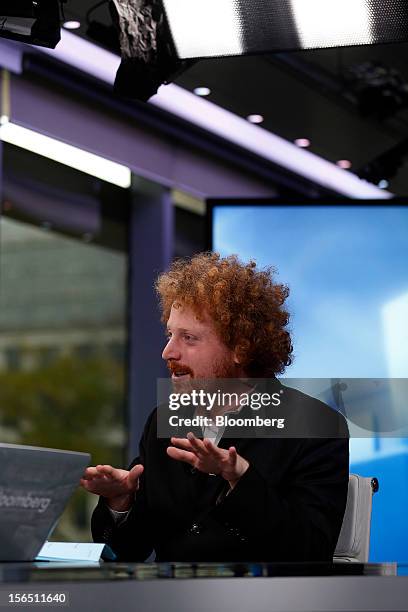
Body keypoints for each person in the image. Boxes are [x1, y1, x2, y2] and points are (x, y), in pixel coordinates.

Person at [83, 252, 349, 562]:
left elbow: (309, 550)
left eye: (189, 338)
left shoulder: (315, 425)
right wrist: (120, 502)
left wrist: (240, 478)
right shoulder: (165, 419)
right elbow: (130, 552)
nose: (168, 351)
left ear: (241, 347)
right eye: (170, 334)